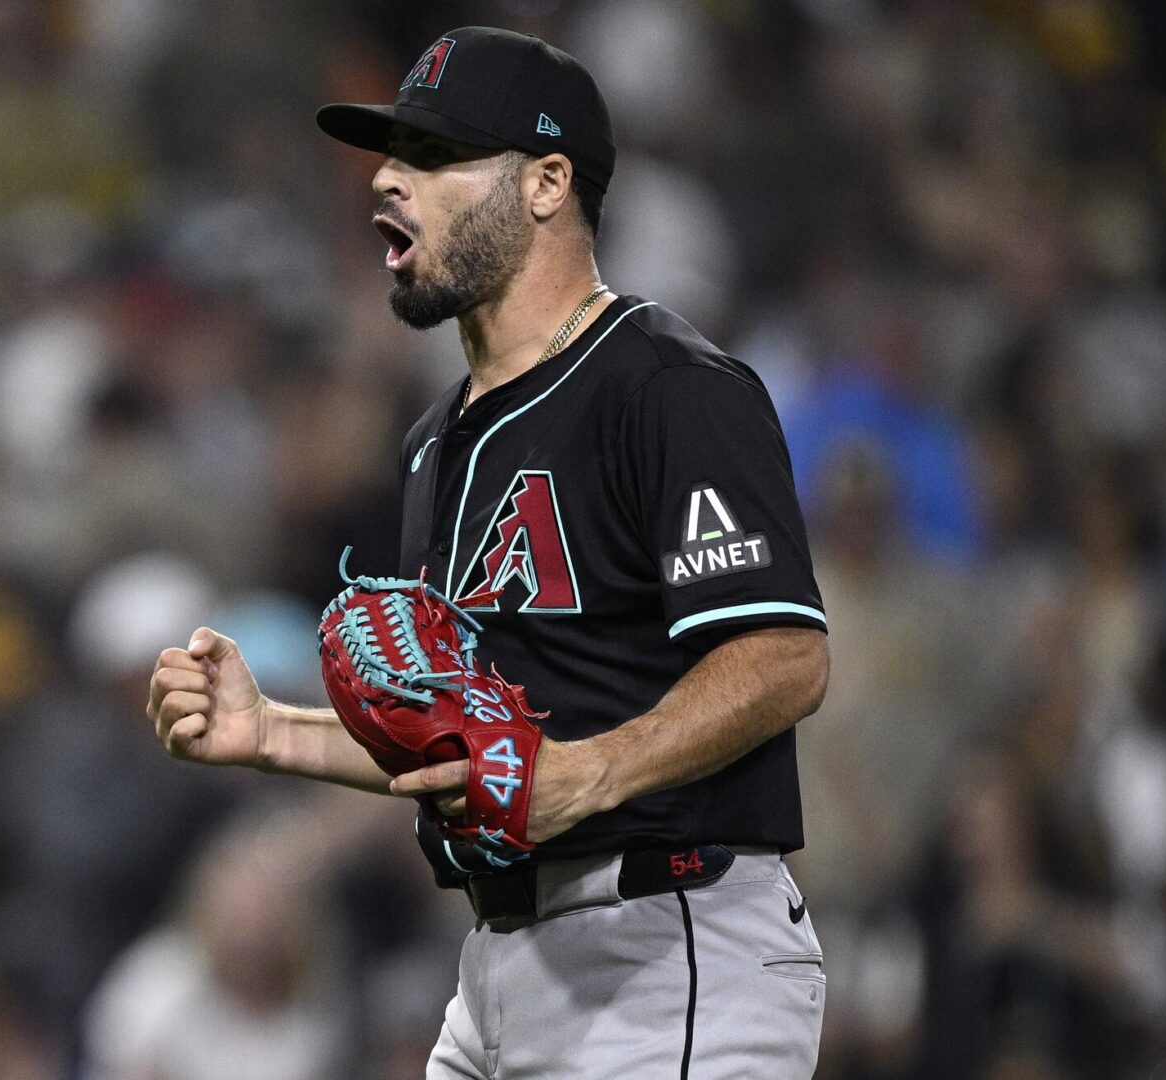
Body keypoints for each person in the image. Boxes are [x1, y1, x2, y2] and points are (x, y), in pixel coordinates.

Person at [147, 26, 832, 1078]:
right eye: (390, 154)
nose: (386, 177)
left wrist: (590, 773)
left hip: (669, 945)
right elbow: (470, 748)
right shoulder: (438, 443)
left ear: (548, 182)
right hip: (501, 966)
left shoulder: (662, 387)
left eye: (431, 154)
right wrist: (271, 733)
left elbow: (785, 657)